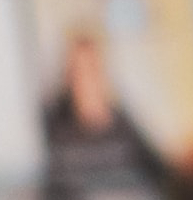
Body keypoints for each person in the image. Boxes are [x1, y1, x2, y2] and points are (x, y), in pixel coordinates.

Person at [43, 30, 165, 183]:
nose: (86, 79)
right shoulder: (55, 124)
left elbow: (159, 169)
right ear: (68, 75)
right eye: (78, 70)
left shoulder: (123, 123)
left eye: (91, 68)